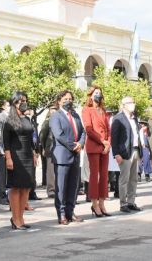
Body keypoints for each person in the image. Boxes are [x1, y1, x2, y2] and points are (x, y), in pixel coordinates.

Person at [49, 90, 86, 224]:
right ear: (59, 101)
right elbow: (59, 135)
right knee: (61, 187)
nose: (68, 101)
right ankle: (62, 214)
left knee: (73, 186)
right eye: (65, 99)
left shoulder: (75, 115)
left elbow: (82, 132)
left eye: (70, 99)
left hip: (75, 155)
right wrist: (73, 146)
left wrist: (81, 144)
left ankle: (71, 211)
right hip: (62, 156)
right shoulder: (56, 116)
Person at [3, 92, 38, 230]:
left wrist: (34, 154)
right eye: (20, 101)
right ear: (14, 103)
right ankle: (15, 219)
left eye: (25, 100)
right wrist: (8, 158)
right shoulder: (9, 121)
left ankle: (21, 218)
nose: (23, 103)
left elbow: (31, 140)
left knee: (26, 187)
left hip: (28, 156)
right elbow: (6, 142)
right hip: (15, 157)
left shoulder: (27, 119)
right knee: (16, 187)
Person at [81, 86, 111, 217]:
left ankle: (102, 203)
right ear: (90, 96)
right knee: (95, 176)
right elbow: (89, 130)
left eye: (100, 93)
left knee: (104, 175)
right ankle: (94, 204)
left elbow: (109, 129)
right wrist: (102, 141)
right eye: (96, 93)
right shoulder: (87, 110)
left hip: (105, 147)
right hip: (94, 145)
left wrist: (108, 143)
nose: (98, 95)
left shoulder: (103, 111)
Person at [111, 96, 143, 213]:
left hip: (135, 150)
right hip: (124, 152)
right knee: (124, 179)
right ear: (124, 105)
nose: (132, 104)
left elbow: (137, 135)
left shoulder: (134, 118)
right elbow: (114, 138)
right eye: (130, 103)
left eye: (133, 102)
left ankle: (131, 201)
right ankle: (123, 203)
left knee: (134, 179)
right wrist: (116, 154)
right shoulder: (118, 118)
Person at [0, 100, 11, 205]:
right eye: (8, 105)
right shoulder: (0, 117)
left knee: (9, 176)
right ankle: (2, 196)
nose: (10, 107)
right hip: (1, 150)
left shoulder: (12, 117)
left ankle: (9, 195)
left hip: (11, 150)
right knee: (2, 175)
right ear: (3, 107)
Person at [39, 106, 57, 199]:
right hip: (50, 149)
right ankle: (51, 190)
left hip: (59, 149)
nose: (53, 111)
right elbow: (42, 136)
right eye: (52, 109)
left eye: (55, 109)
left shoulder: (59, 120)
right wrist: (43, 147)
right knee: (50, 171)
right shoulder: (47, 122)